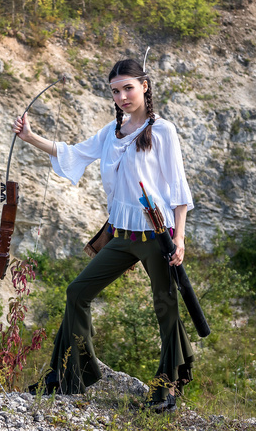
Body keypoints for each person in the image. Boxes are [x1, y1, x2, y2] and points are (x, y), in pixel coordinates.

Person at [12, 58, 195, 411]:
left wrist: (180, 239)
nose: (122, 96)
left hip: (157, 235)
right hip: (121, 235)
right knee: (77, 292)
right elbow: (72, 153)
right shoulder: (112, 133)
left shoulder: (163, 132)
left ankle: (166, 390)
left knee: (165, 308)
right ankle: (71, 376)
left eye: (128, 87)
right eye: (115, 91)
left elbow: (178, 189)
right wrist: (30, 136)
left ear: (144, 86)